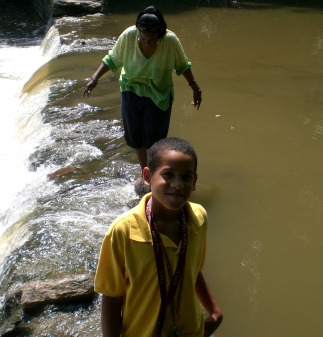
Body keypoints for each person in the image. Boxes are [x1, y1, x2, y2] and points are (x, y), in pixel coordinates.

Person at [94, 137, 223, 337]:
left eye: (186, 177)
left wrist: (215, 312)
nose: (178, 184)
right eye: (168, 175)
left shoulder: (198, 219)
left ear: (195, 181)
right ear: (148, 176)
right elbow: (111, 297)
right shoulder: (123, 232)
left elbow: (192, 268)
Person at [82, 6, 203, 186]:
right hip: (131, 90)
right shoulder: (129, 36)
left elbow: (182, 66)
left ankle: (154, 174)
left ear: (160, 35)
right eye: (143, 38)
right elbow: (112, 59)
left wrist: (195, 87)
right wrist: (94, 78)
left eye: (151, 40)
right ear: (138, 32)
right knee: (136, 136)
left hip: (159, 94)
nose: (146, 42)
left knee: (154, 140)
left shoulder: (170, 41)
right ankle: (146, 174)